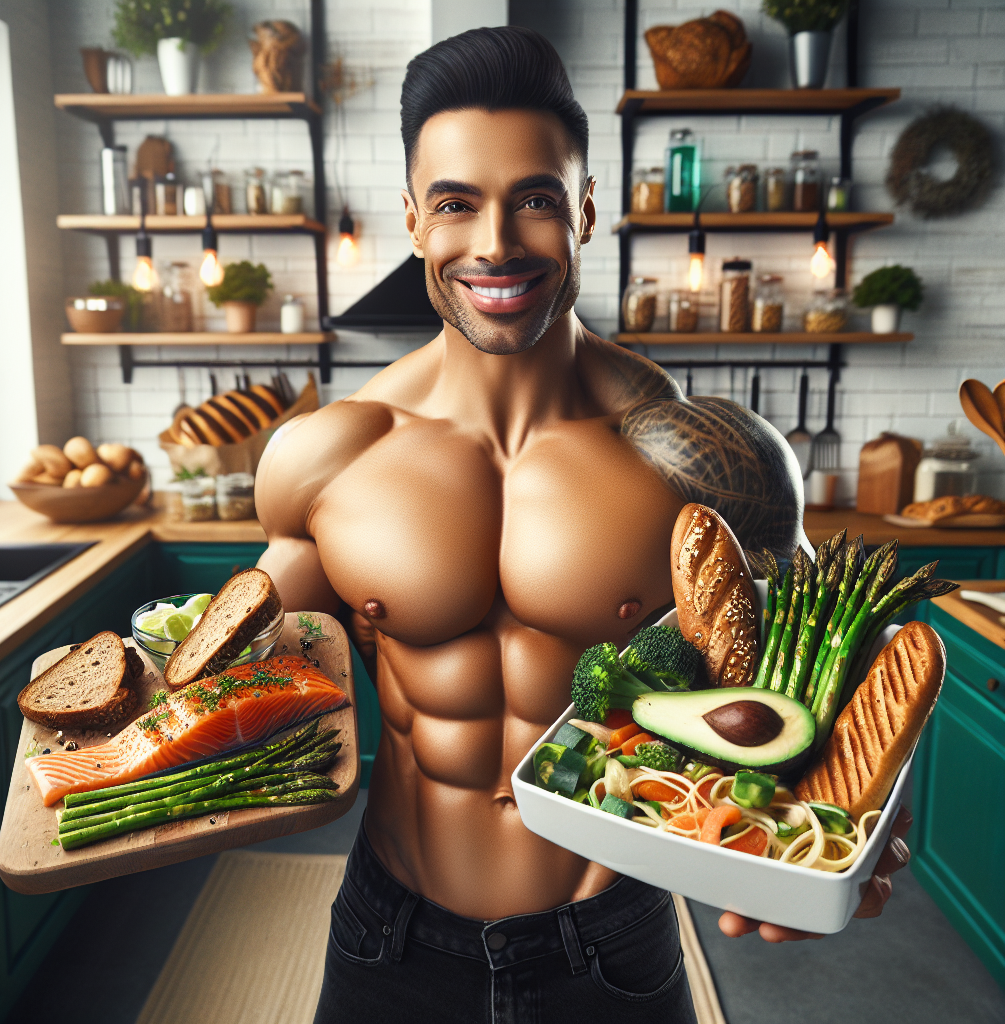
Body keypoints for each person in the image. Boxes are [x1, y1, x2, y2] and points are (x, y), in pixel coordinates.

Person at [254, 27, 911, 1023]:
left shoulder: (705, 456)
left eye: (534, 199)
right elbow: (259, 666)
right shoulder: (331, 453)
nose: (496, 243)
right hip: (390, 935)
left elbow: (829, 674)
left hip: (608, 938)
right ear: (412, 220)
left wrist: (851, 833)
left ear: (587, 208)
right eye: (455, 203)